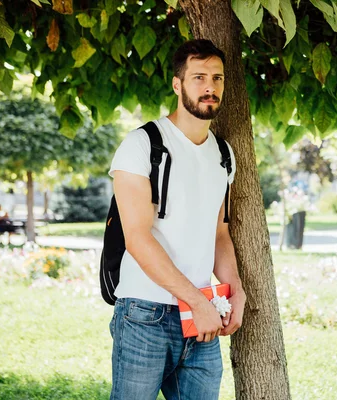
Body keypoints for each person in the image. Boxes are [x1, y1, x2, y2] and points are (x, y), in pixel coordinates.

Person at [108, 39, 246, 400]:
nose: (209, 87)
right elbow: (137, 238)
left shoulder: (224, 154)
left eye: (217, 78)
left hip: (201, 321)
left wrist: (237, 290)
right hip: (144, 314)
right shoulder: (143, 145)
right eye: (198, 77)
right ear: (177, 84)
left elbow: (220, 235)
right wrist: (198, 303)